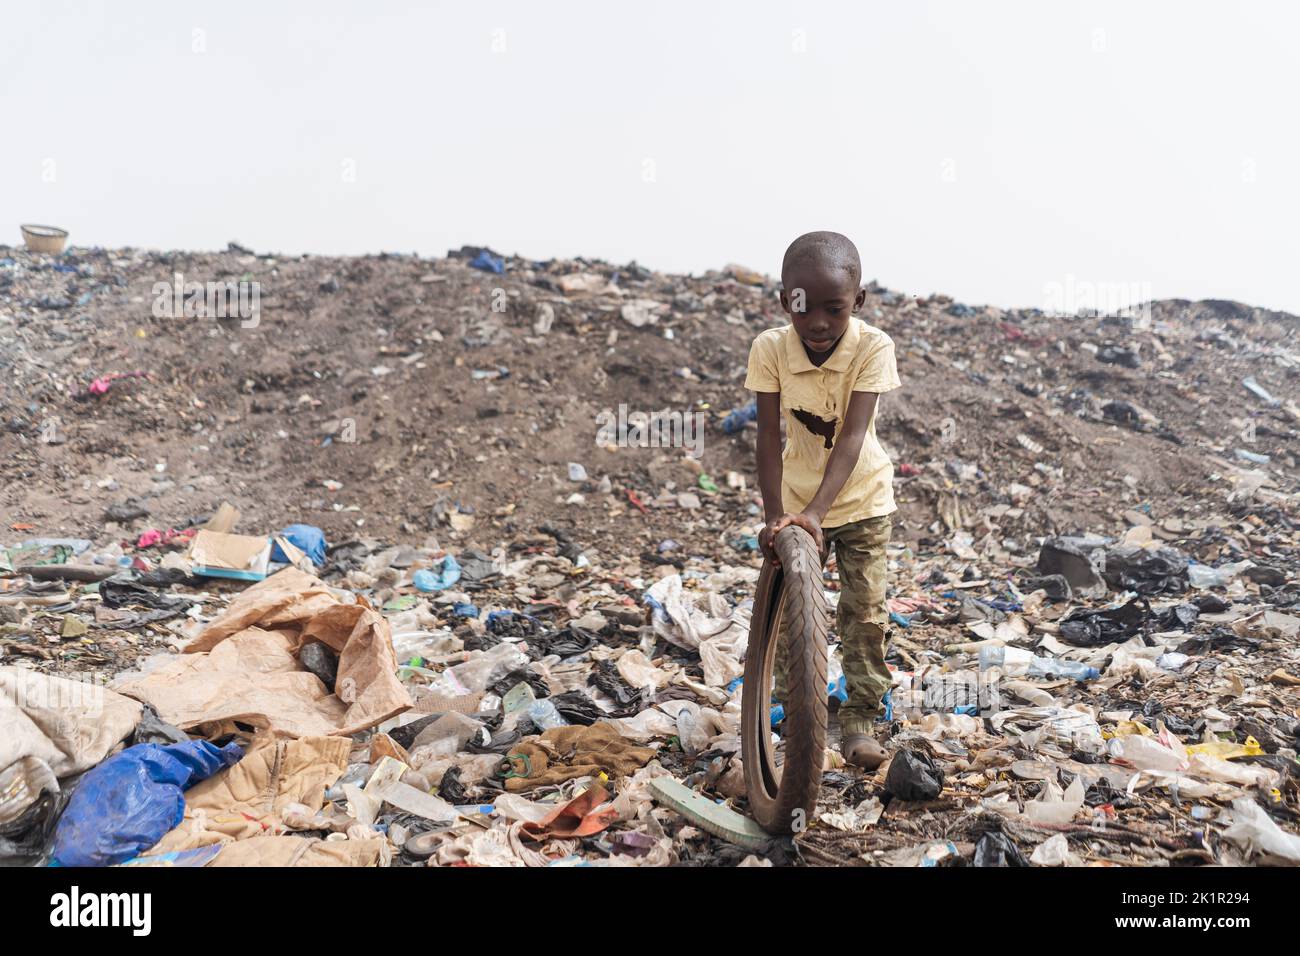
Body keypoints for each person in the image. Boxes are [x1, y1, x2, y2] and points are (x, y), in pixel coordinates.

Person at [744, 230, 901, 770]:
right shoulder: (769, 348)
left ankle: (859, 719)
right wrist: (776, 517)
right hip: (793, 503)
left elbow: (853, 437)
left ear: (857, 302)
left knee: (863, 613)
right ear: (784, 298)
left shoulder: (873, 346)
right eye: (802, 306)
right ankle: (798, 721)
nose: (817, 322)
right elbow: (767, 436)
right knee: (793, 617)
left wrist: (817, 513)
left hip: (861, 501)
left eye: (834, 309)